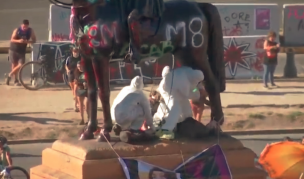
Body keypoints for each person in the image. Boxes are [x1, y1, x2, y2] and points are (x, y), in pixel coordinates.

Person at [153, 66, 206, 139]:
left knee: (185, 109)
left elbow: (192, 89)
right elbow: (188, 94)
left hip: (173, 91)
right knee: (175, 108)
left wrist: (196, 91)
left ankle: (182, 122)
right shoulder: (184, 80)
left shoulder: (187, 72)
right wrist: (197, 94)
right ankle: (165, 129)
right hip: (169, 91)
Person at [111, 76, 155, 142]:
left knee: (129, 109)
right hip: (124, 117)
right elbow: (147, 112)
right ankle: (134, 130)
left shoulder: (125, 89)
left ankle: (120, 126)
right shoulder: (140, 94)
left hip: (114, 115)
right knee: (141, 109)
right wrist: (151, 126)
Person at [5, 19, 36, 86]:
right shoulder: (17, 30)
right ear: (21, 25)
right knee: (14, 64)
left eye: (26, 26)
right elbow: (12, 39)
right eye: (24, 26)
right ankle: (15, 80)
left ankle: (9, 75)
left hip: (22, 50)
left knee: (21, 64)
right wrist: (19, 41)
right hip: (13, 49)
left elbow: (34, 40)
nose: (25, 28)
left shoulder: (30, 31)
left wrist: (27, 42)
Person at [66, 47, 81, 112]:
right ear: (72, 51)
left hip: (77, 75)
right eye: (74, 51)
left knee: (75, 90)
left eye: (76, 51)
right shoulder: (69, 58)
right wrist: (67, 70)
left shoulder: (80, 58)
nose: (75, 52)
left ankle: (77, 105)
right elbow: (66, 65)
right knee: (73, 91)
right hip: (71, 75)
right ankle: (77, 103)